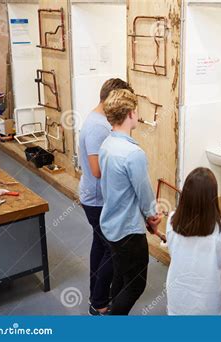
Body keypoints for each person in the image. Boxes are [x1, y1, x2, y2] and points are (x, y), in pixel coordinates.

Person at [99, 88, 162, 315]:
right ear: (130, 114)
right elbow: (144, 194)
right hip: (128, 231)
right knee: (136, 284)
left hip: (110, 225)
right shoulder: (133, 153)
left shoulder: (107, 144)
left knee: (120, 275)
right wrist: (153, 217)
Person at [78, 78, 134, 316]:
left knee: (100, 247)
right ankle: (100, 302)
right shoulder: (97, 127)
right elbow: (97, 170)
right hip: (97, 200)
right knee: (114, 250)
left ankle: (96, 295)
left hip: (96, 197)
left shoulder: (98, 120)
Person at [166, 167, 221, 315]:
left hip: (177, 294)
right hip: (209, 299)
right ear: (213, 196)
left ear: (185, 195)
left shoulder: (172, 220)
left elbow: (173, 252)